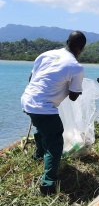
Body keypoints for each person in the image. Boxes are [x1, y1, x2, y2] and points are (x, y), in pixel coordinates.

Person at [21, 31, 86, 195]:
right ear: (81, 48)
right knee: (55, 142)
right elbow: (73, 96)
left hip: (27, 100)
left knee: (42, 128)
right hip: (44, 107)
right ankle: (47, 183)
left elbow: (31, 78)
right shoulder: (76, 67)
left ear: (66, 42)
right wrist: (76, 89)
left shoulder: (46, 54)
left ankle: (38, 156)